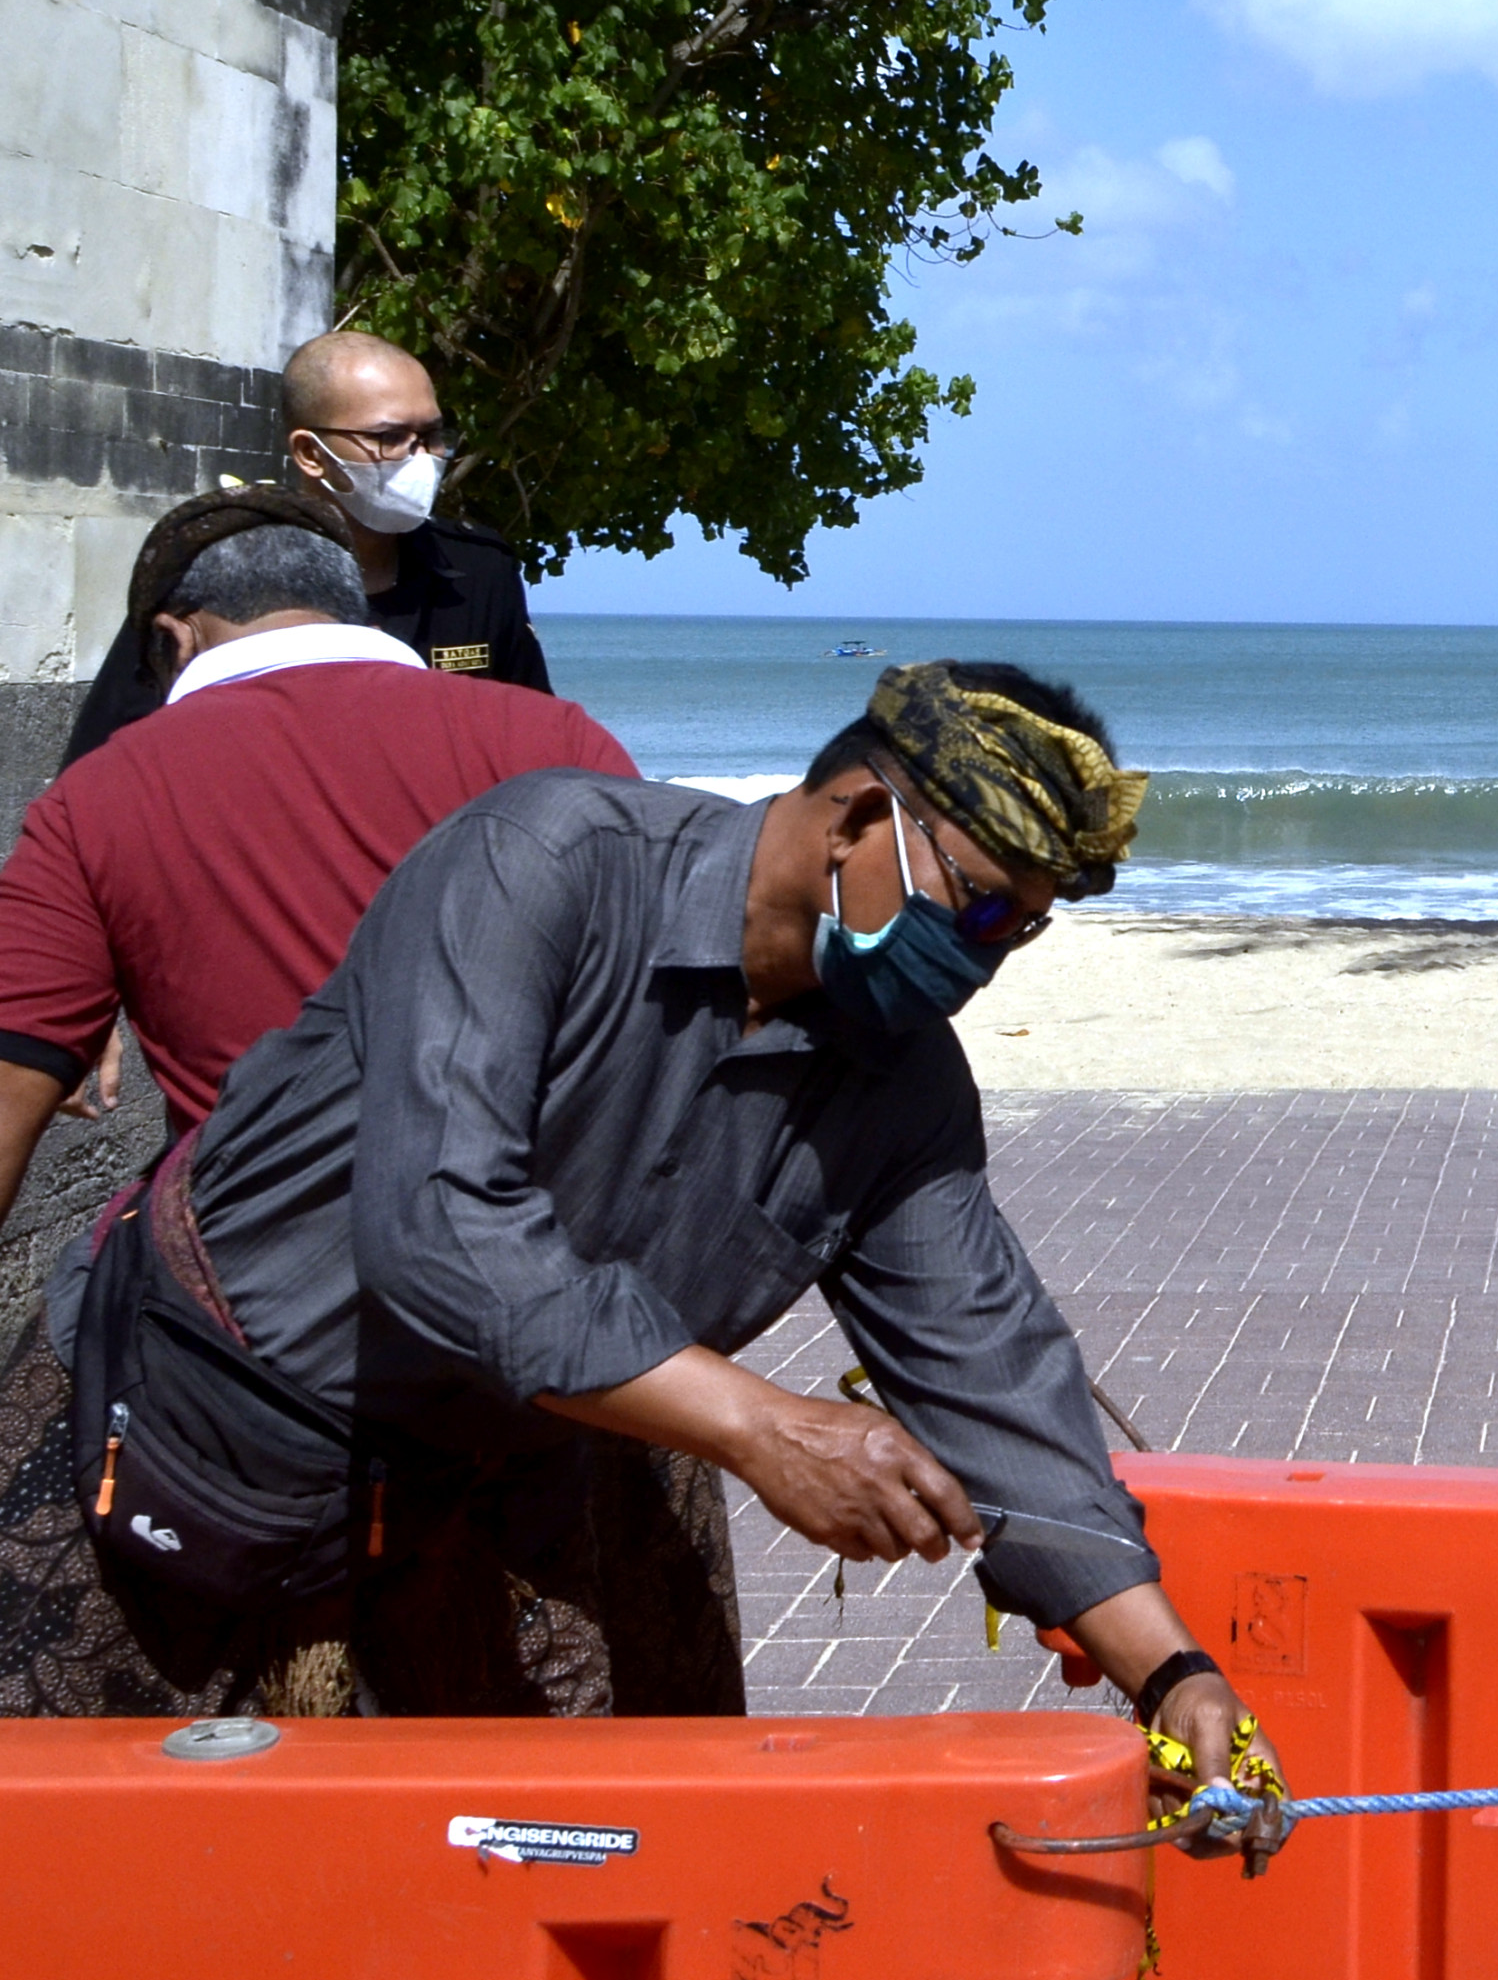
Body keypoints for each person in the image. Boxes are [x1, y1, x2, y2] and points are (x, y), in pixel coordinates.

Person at [0, 661, 1278, 1811]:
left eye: (1023, 933)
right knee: (81, 1878)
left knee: (535, 1890)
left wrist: (1170, 1672)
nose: (984, 961)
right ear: (855, 814)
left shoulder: (903, 1088)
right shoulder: (542, 860)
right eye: (981, 908)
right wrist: (765, 1427)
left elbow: (990, 1367)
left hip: (486, 1482)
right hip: (182, 1418)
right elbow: (440, 1230)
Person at [0, 494, 636, 1227]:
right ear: (352, 607)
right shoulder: (559, 738)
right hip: (548, 1247)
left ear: (177, 638)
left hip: (262, 1279)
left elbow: (16, 1068)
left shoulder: (96, 798)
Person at [63, 330, 548, 761]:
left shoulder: (479, 570)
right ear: (311, 454)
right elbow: (108, 762)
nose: (420, 457)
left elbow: (533, 741)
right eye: (391, 437)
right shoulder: (211, 576)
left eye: (432, 435)